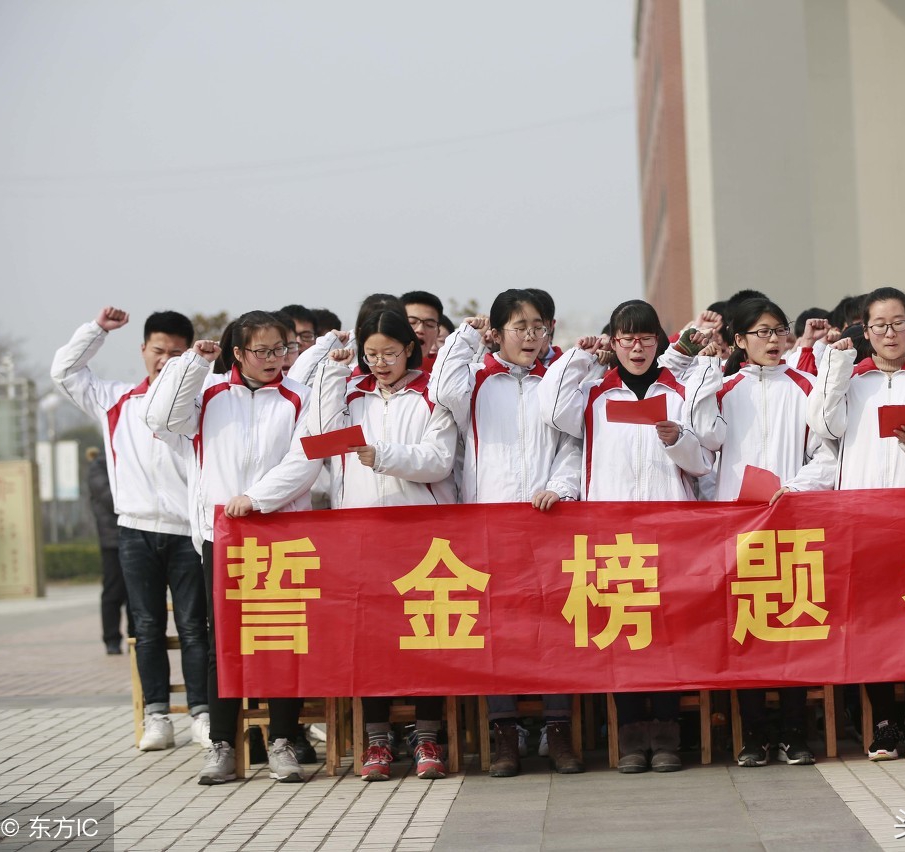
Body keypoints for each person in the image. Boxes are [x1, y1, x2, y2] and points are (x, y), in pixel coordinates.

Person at [237, 309, 458, 780]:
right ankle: (376, 739)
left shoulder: (431, 394)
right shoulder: (353, 394)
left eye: (390, 353)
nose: (380, 363)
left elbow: (439, 461)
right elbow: (318, 441)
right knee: (372, 641)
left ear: (410, 350)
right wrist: (334, 374)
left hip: (421, 533)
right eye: (371, 354)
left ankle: (427, 737)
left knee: (427, 636)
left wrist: (384, 456)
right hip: (361, 535)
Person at [539, 299, 713, 772]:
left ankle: (668, 735)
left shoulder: (679, 388)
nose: (637, 348)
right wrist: (579, 358)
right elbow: (553, 413)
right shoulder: (595, 393)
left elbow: (703, 463)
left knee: (668, 635)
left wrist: (677, 439)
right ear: (613, 343)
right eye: (626, 339)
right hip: (612, 534)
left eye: (646, 338)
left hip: (670, 531)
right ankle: (632, 737)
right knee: (622, 631)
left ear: (660, 341)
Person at [145, 310, 312, 785]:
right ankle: (222, 744)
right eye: (262, 351)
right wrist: (191, 365)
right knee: (224, 643)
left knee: (283, 640)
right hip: (223, 539)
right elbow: (158, 416)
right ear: (237, 353)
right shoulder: (209, 395)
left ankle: (281, 741)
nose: (273, 360)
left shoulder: (299, 397)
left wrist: (257, 499)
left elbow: (306, 461)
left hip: (281, 535)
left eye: (281, 349)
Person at [794, 287, 905, 761]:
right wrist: (837, 366)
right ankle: (884, 722)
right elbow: (824, 426)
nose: (890, 334)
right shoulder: (855, 379)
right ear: (864, 331)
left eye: (899, 323)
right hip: (862, 514)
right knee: (871, 621)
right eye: (880, 326)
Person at [428, 289, 583, 777]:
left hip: (548, 522)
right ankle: (505, 733)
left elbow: (574, 445)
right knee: (498, 629)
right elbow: (441, 387)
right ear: (496, 332)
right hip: (488, 524)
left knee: (557, 625)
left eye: (540, 326)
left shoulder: (557, 381)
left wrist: (558, 487)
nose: (532, 337)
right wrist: (464, 337)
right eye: (520, 327)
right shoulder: (474, 381)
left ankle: (558, 729)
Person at [51, 307, 209, 752]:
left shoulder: (201, 402)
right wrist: (97, 330)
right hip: (135, 530)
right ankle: (156, 715)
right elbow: (64, 371)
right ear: (143, 350)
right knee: (146, 625)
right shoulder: (116, 399)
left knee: (196, 626)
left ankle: (202, 712)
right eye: (158, 350)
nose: (165, 359)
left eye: (176, 353)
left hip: (185, 531)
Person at [687, 297, 836, 767]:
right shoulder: (726, 389)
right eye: (761, 333)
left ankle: (795, 731)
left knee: (793, 626)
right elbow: (706, 441)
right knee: (745, 630)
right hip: (738, 527)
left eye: (778, 331)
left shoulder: (807, 386)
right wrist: (708, 371)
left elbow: (828, 456)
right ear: (739, 341)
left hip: (792, 523)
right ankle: (752, 733)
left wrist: (793, 488)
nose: (773, 341)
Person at [86, 447, 132, 655]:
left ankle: (136, 636)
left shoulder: (129, 457)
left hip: (135, 536)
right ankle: (112, 639)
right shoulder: (99, 466)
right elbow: (109, 498)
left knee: (137, 592)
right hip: (112, 540)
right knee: (113, 591)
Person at [401, 290, 444, 372]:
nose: (420, 330)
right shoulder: (375, 372)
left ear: (437, 332)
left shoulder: (443, 373)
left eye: (429, 324)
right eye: (412, 322)